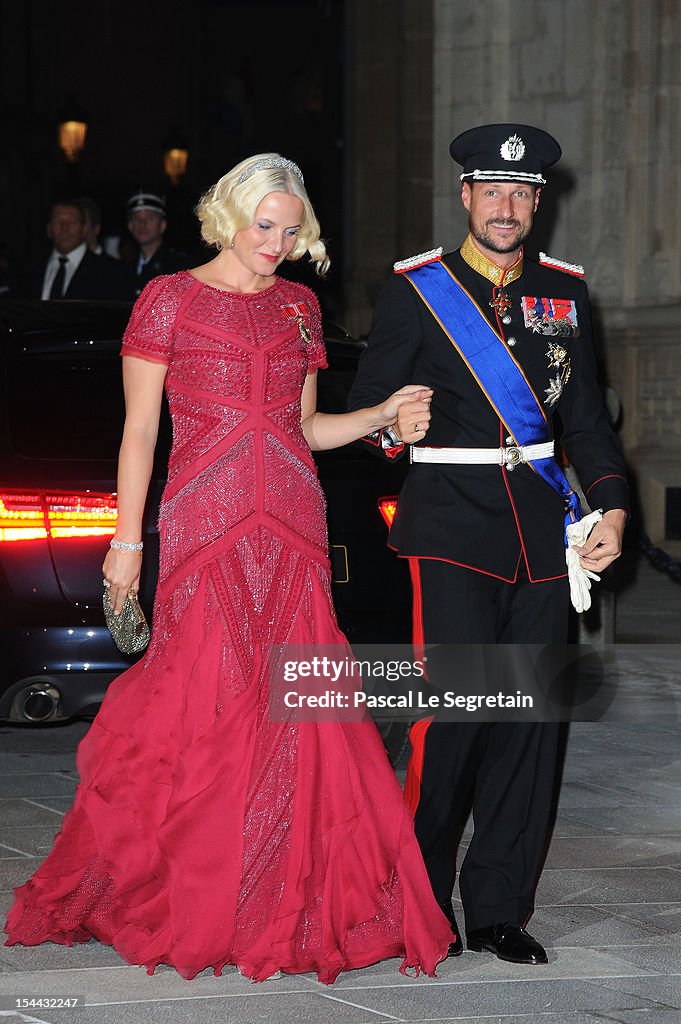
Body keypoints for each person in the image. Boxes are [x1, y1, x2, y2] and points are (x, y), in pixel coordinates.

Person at [5, 153, 453, 983]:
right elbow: (140, 432)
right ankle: (200, 893)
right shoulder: (168, 298)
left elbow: (305, 430)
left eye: (290, 229)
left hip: (290, 523)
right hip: (204, 525)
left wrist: (383, 414)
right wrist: (126, 542)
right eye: (264, 226)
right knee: (204, 706)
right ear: (228, 217)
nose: (276, 243)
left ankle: (280, 892)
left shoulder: (299, 307)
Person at [348, 124, 629, 965]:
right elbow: (369, 419)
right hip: (452, 532)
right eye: (490, 192)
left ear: (537, 204)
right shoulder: (417, 291)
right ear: (465, 198)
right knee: (452, 721)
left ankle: (500, 907)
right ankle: (421, 902)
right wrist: (393, 426)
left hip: (544, 533)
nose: (505, 207)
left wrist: (611, 511)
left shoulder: (565, 294)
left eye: (521, 195)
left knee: (531, 722)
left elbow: (584, 421)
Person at [35, 200, 128, 300]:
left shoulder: (110, 273)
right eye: (58, 221)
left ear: (84, 229)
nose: (65, 228)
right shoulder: (31, 268)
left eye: (72, 222)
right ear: (49, 229)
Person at [125, 191, 188, 298]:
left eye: (150, 218)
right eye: (137, 219)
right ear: (130, 225)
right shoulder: (125, 267)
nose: (142, 224)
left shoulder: (178, 267)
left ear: (162, 225)